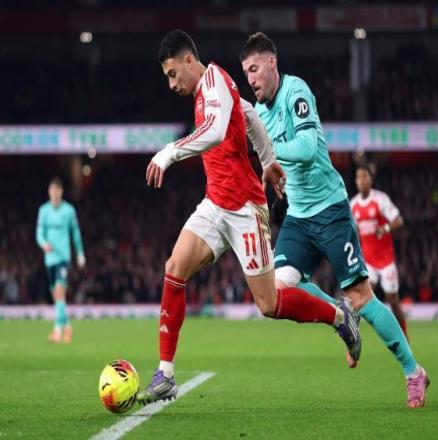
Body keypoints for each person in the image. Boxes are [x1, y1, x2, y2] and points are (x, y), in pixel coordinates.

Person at [137, 30, 360, 405]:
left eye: (173, 74)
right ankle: (166, 375)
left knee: (269, 304)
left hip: (244, 209)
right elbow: (250, 116)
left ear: (190, 61)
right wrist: (269, 160)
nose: (171, 84)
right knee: (174, 268)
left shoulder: (215, 82)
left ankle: (339, 316)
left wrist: (169, 152)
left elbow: (214, 132)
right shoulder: (209, 91)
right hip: (215, 204)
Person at [239, 32, 429, 408]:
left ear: (272, 62)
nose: (251, 79)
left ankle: (413, 371)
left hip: (330, 211)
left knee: (362, 297)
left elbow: (308, 148)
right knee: (276, 291)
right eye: (246, 73)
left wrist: (268, 152)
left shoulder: (296, 92)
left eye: (254, 69)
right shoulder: (258, 112)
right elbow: (273, 165)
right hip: (297, 217)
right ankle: (339, 314)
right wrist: (272, 187)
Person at [350, 164, 409, 339]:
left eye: (364, 177)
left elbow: (398, 220)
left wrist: (385, 228)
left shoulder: (380, 199)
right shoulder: (353, 205)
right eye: (358, 177)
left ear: (371, 179)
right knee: (361, 299)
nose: (361, 181)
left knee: (392, 299)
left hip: (386, 260)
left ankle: (404, 336)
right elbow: (353, 231)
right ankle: (352, 340)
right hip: (367, 261)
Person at [36, 177, 86, 343]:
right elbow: (39, 233)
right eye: (52, 190)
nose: (55, 193)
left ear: (61, 192)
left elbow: (75, 232)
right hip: (49, 259)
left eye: (57, 190)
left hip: (63, 257)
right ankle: (68, 327)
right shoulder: (44, 210)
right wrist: (44, 244)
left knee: (59, 292)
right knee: (57, 296)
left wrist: (80, 253)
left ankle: (57, 330)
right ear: (49, 192)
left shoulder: (69, 210)